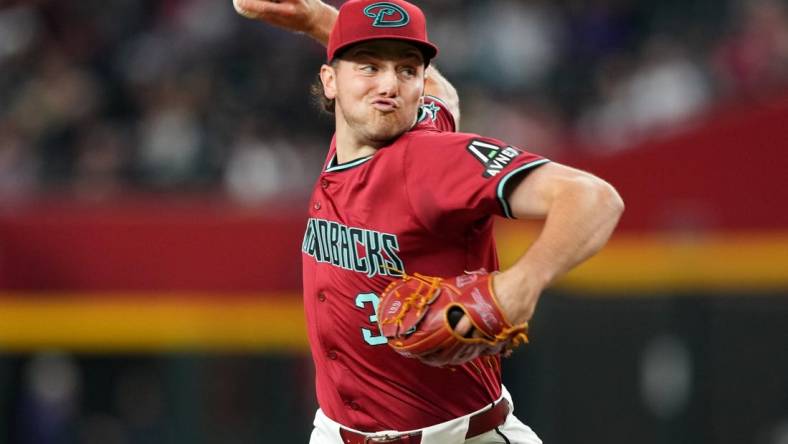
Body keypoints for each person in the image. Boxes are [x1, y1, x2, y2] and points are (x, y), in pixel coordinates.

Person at [233, 1, 624, 443]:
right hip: (334, 431)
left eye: (406, 70)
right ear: (330, 81)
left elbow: (594, 197)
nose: (389, 85)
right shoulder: (355, 141)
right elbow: (446, 96)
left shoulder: (433, 158)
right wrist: (316, 20)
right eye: (368, 66)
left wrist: (521, 285)